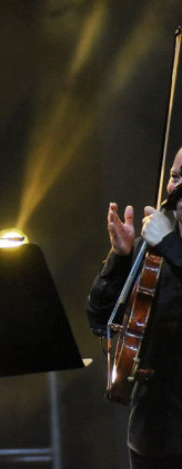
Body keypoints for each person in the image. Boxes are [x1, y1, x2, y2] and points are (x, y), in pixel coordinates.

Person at [86, 145, 182, 468]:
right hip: (151, 436)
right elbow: (100, 319)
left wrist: (170, 245)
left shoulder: (163, 245)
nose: (175, 187)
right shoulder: (150, 251)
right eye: (174, 176)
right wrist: (121, 257)